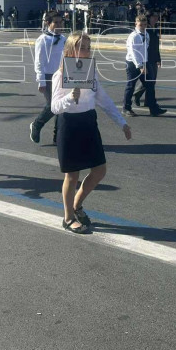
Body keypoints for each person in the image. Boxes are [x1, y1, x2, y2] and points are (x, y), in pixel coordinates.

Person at [51, 31, 132, 233]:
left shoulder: (91, 73)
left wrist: (122, 123)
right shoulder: (60, 74)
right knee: (72, 175)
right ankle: (68, 218)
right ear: (70, 50)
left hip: (88, 122)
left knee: (99, 170)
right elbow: (54, 107)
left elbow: (103, 100)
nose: (86, 51)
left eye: (88, 47)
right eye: (82, 47)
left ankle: (77, 204)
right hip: (69, 124)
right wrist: (70, 97)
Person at [30, 11, 65, 144]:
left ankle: (58, 137)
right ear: (48, 23)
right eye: (56, 22)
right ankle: (37, 124)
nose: (59, 25)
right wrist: (41, 80)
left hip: (62, 76)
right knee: (52, 105)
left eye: (61, 22)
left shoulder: (63, 39)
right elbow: (39, 62)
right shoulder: (43, 39)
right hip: (48, 76)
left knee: (61, 107)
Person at [133, 10, 167, 115]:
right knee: (150, 82)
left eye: (157, 16)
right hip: (146, 59)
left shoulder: (155, 29)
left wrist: (158, 59)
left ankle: (147, 101)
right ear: (149, 18)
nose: (157, 18)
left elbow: (156, 46)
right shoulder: (145, 30)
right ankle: (137, 95)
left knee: (152, 82)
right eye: (154, 16)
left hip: (153, 58)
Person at [122, 14, 149, 117]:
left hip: (143, 62)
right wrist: (140, 66)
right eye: (140, 25)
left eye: (145, 25)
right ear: (136, 24)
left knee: (148, 84)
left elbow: (145, 50)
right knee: (130, 86)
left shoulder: (146, 34)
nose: (143, 27)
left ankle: (140, 98)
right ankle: (126, 108)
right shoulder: (133, 36)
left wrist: (145, 63)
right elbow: (133, 53)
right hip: (133, 64)